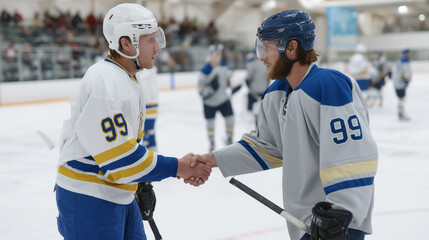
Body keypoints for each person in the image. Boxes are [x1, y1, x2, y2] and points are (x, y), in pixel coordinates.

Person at [191, 9, 378, 240]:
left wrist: (341, 214)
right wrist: (211, 160)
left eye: (267, 47)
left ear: (292, 47)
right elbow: (266, 147)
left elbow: (353, 156)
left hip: (337, 225)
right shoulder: (275, 93)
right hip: (305, 225)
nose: (261, 56)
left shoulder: (329, 85)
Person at [55, 4, 211, 240]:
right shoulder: (104, 83)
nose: (158, 46)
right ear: (126, 43)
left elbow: (126, 150)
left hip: (119, 194)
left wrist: (140, 181)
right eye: (150, 40)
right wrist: (179, 167)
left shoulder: (126, 77)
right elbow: (121, 159)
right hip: (89, 199)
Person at [198, 44, 235, 152]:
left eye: (218, 54)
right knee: (210, 124)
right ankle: (211, 143)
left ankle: (229, 139)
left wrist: (228, 80)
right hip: (209, 102)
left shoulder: (224, 65)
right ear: (209, 56)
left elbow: (225, 82)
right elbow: (200, 89)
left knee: (230, 119)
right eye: (214, 54)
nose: (216, 57)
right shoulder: (205, 70)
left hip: (224, 99)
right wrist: (209, 90)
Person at [136, 67, 159, 151]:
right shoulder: (145, 70)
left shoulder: (147, 70)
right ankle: (155, 155)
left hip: (149, 104)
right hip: (147, 103)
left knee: (148, 132)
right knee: (150, 134)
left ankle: (152, 156)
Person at [244, 49, 270, 116]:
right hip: (264, 89)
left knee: (250, 110)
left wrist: (247, 82)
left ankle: (249, 119)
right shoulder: (266, 63)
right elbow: (268, 77)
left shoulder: (252, 64)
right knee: (263, 108)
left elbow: (248, 77)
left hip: (254, 91)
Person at [393, 48, 412, 121]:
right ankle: (401, 113)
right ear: (406, 53)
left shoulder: (400, 60)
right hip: (400, 83)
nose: (410, 54)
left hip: (397, 82)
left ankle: (400, 112)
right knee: (402, 99)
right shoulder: (405, 60)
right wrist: (407, 80)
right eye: (409, 53)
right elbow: (405, 71)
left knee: (401, 99)